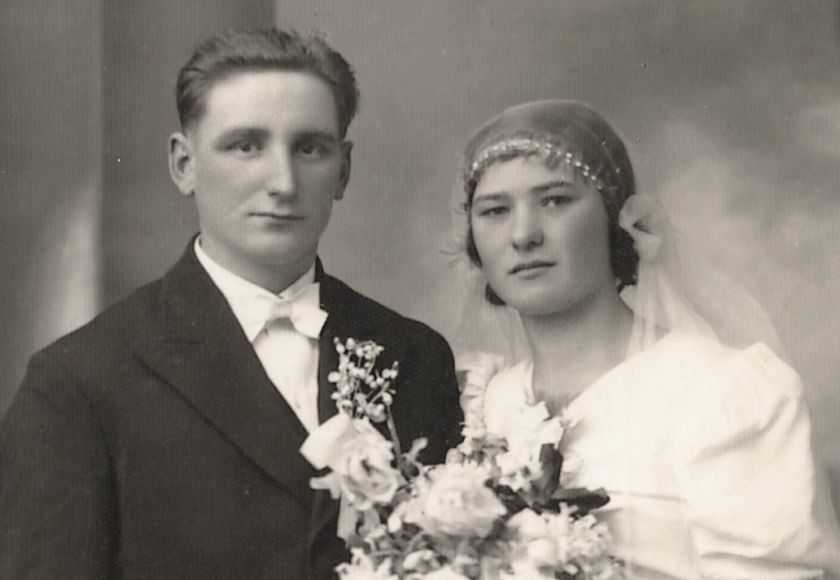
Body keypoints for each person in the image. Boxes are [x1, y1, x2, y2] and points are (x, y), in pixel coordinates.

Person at [0, 29, 462, 580]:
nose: (283, 182)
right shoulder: (80, 382)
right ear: (184, 164)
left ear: (343, 169)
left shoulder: (414, 356)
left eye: (309, 148)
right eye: (246, 146)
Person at [453, 99, 840, 579]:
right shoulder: (489, 402)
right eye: (495, 211)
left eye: (555, 201)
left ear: (617, 220)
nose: (523, 235)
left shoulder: (717, 390)